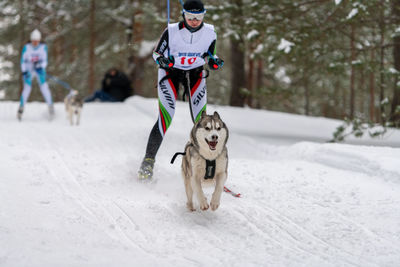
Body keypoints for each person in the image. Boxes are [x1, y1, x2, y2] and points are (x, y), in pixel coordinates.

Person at [138, 0, 224, 180]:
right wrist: (162, 61)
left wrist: (214, 61)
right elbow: (157, 53)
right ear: (183, 15)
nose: (194, 20)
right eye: (190, 16)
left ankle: (209, 166)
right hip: (170, 73)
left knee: (202, 122)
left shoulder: (210, 32)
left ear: (204, 15)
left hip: (195, 74)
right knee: (165, 117)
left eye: (198, 17)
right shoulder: (171, 31)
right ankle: (148, 162)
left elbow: (210, 53)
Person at [18, 29, 54, 120]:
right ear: (31, 40)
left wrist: (41, 66)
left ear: (39, 40)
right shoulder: (26, 47)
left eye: (37, 41)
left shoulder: (43, 47)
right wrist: (24, 71)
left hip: (39, 69)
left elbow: (45, 60)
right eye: (33, 41)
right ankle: (21, 108)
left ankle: (51, 107)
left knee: (44, 86)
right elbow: (22, 60)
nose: (35, 43)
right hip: (28, 68)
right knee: (27, 87)